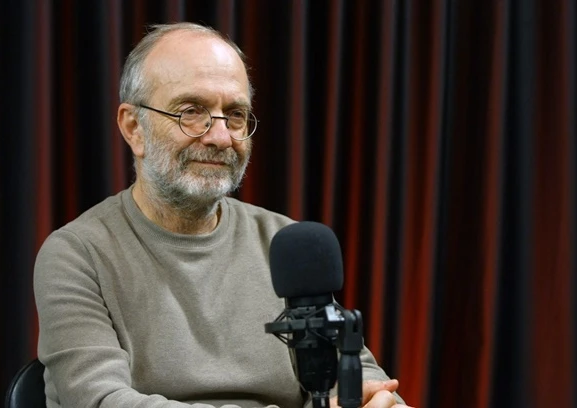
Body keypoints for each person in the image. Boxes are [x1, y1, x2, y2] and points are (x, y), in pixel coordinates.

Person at [34, 22, 410, 408]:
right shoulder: (77, 254)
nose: (220, 137)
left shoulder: (285, 244)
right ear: (134, 128)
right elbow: (99, 400)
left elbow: (355, 373)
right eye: (191, 112)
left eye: (235, 115)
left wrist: (378, 400)